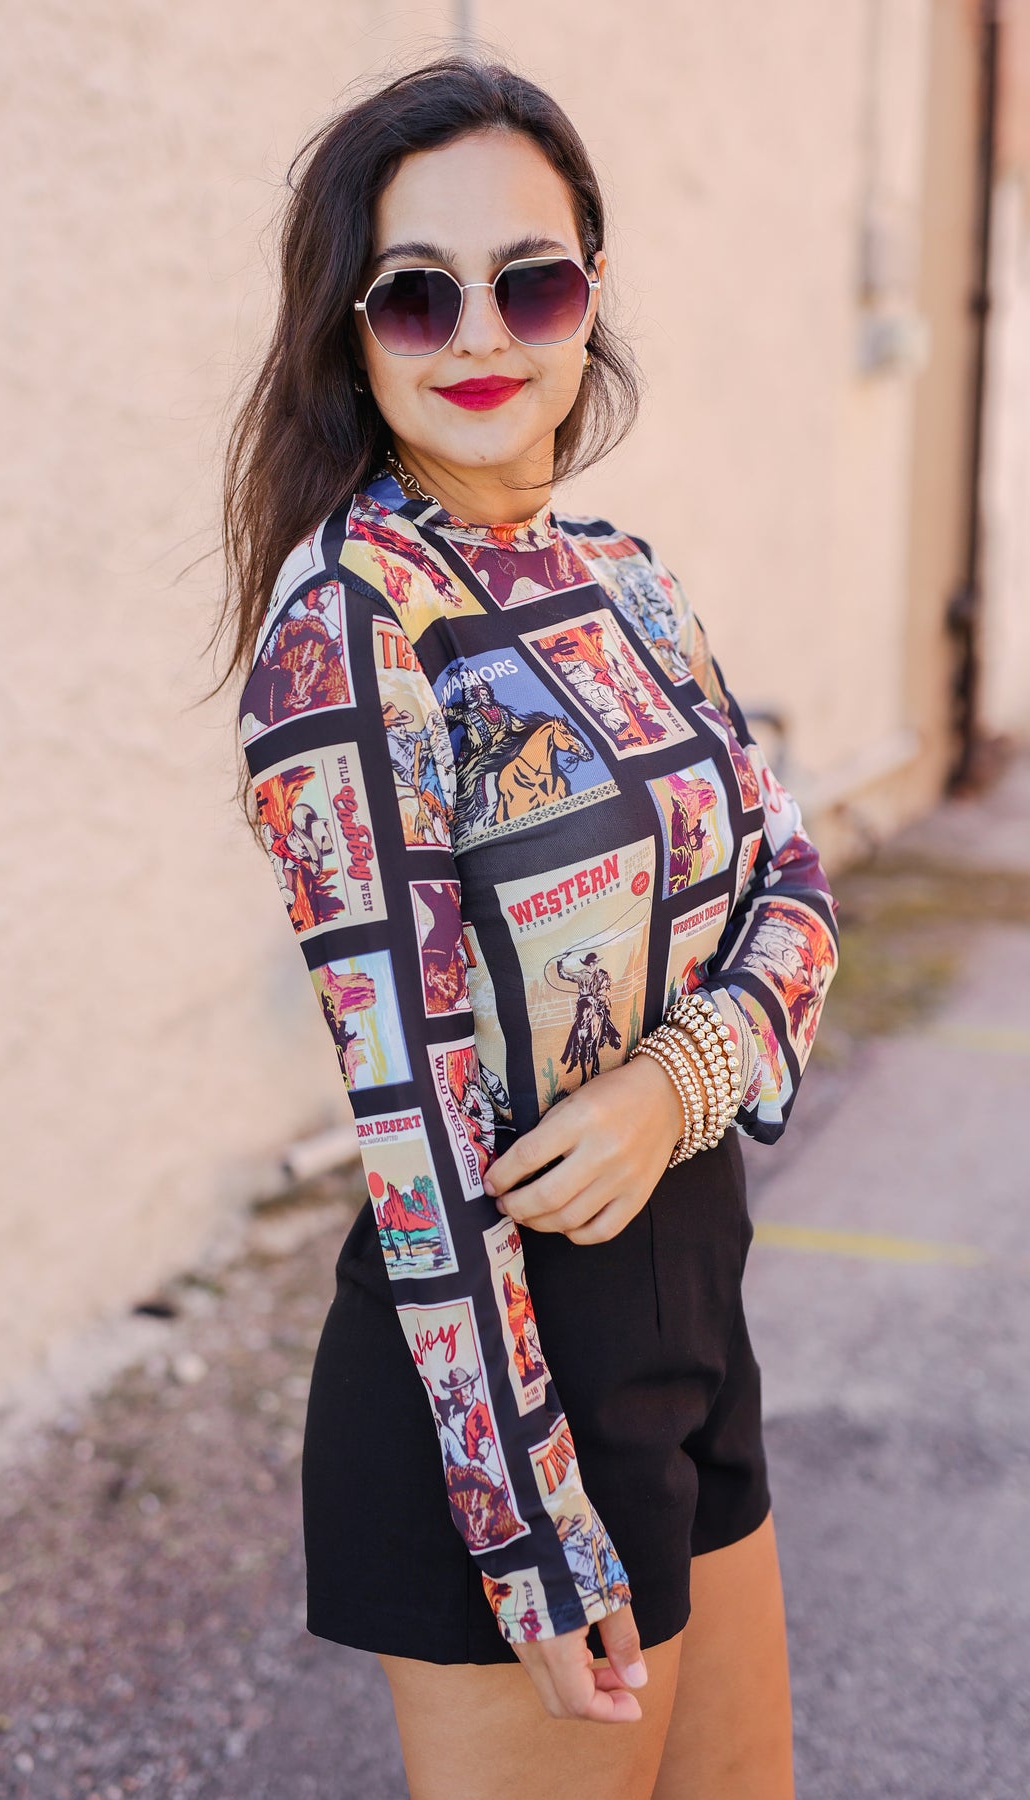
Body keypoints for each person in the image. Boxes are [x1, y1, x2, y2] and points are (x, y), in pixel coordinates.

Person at [216, 54, 838, 1800]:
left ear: (593, 295)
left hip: (693, 1298)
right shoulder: (351, 634)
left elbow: (796, 901)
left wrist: (671, 1086)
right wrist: (530, 1526)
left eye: (530, 279)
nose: (478, 331)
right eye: (416, 293)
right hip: (505, 1364)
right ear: (350, 331)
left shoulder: (631, 582)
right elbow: (413, 1123)